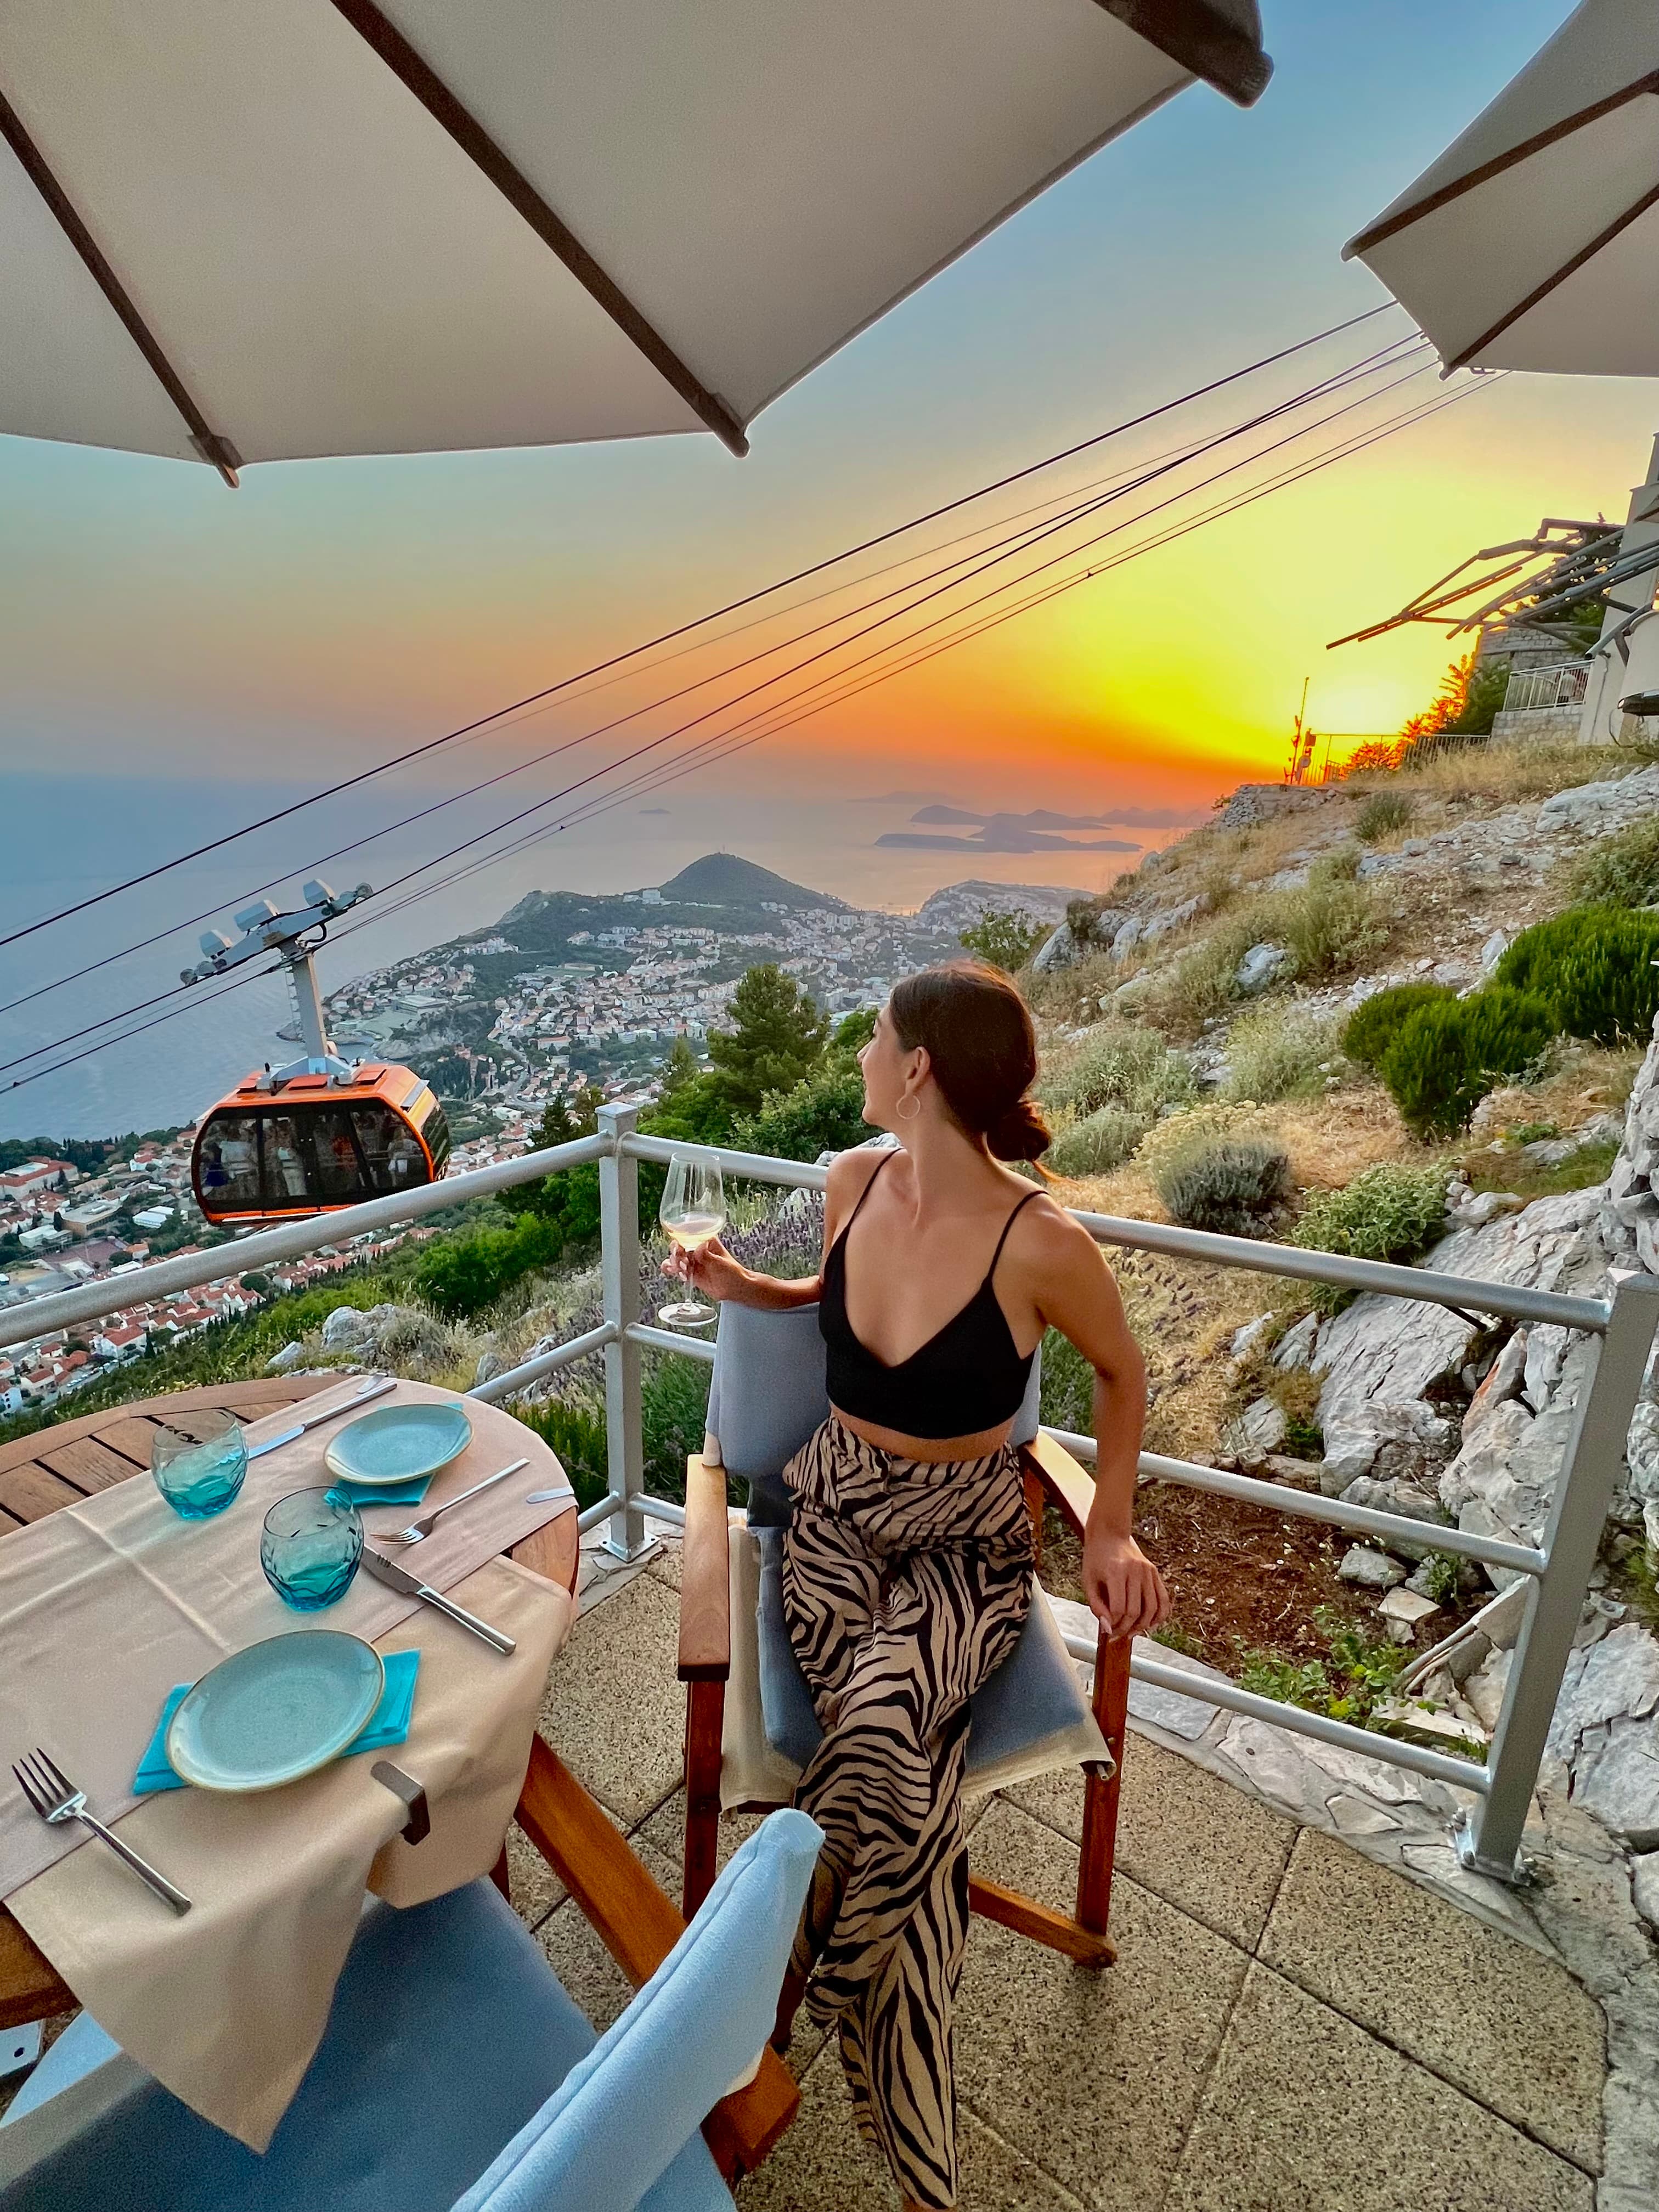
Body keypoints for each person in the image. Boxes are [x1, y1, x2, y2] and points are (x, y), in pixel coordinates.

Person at [664, 960, 1164, 2212]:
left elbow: (1121, 1375)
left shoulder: (1041, 1240)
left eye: (876, 1040)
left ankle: (778, 2002)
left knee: (885, 1729)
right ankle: (891, 2118)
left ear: (922, 1068)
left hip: (961, 1544)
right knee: (906, 1777)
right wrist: (745, 1289)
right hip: (834, 1518)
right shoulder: (851, 1179)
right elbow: (825, 1294)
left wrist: (1109, 1529)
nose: (861, 1058)